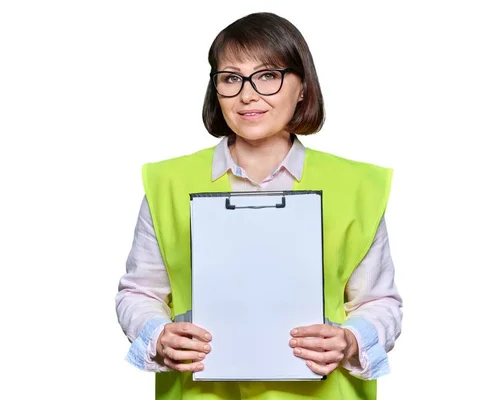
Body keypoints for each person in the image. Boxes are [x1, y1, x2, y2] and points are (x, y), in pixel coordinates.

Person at [115, 11, 402, 400]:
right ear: (216, 89)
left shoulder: (358, 187)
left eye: (268, 75)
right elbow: (140, 292)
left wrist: (351, 340)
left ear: (302, 87)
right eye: (231, 78)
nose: (247, 95)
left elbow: (378, 301)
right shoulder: (167, 183)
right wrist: (158, 334)